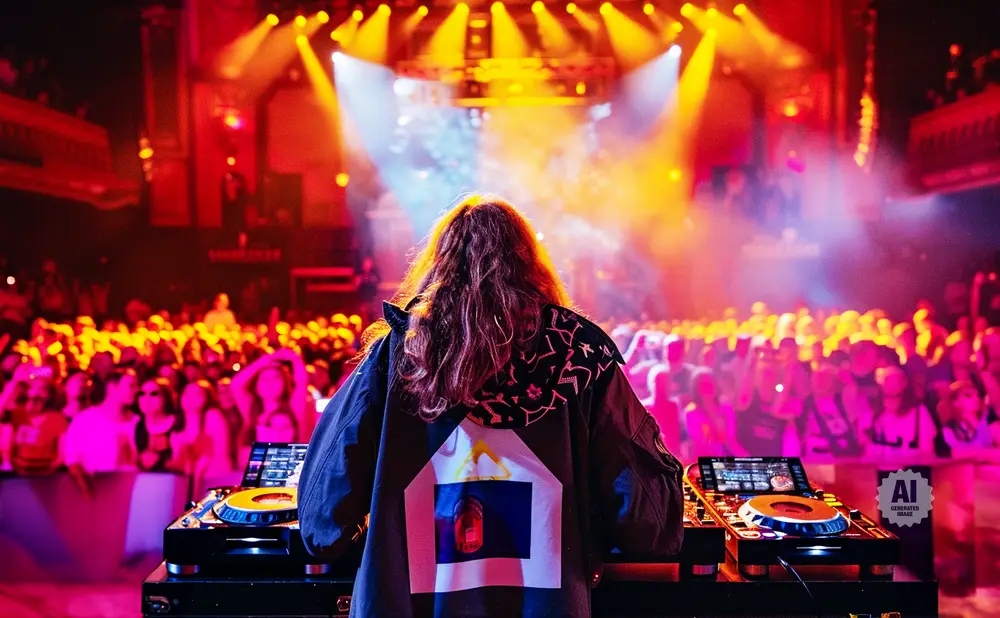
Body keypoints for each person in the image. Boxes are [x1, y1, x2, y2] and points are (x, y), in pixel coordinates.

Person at [298, 196, 684, 618]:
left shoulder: (395, 356)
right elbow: (651, 527)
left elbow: (321, 525)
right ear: (531, 269)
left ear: (438, 265)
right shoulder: (580, 357)